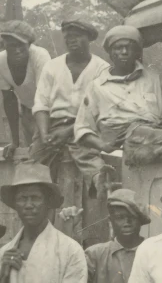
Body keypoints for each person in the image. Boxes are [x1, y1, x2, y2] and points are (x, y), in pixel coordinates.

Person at [73, 24, 162, 176]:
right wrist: (104, 146)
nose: (124, 52)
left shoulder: (155, 79)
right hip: (120, 142)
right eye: (118, 48)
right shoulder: (96, 86)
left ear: (137, 52)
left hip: (154, 138)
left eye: (129, 47)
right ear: (110, 53)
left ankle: (151, 153)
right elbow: (82, 128)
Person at [33, 15, 107, 177]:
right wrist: (45, 135)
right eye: (68, 37)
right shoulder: (52, 66)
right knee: (33, 169)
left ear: (89, 38)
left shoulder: (102, 69)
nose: (72, 40)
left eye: (78, 36)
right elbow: (41, 104)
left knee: (93, 168)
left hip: (88, 127)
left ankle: (100, 188)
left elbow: (100, 110)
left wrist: (69, 131)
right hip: (53, 126)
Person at [0, 23, 53, 160]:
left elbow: (44, 97)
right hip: (28, 111)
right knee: (31, 154)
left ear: (29, 45)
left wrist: (43, 133)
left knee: (44, 152)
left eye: (21, 46)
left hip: (51, 110)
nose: (17, 50)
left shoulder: (40, 56)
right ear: (4, 45)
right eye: (12, 46)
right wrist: (15, 142)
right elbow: (9, 100)